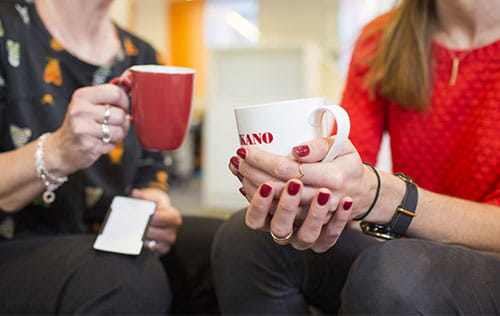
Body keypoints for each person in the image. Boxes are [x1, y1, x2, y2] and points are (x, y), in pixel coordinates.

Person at [213, 0, 500, 314]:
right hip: (409, 250)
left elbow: (374, 195)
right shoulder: (384, 37)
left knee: (397, 273)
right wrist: (312, 194)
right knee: (247, 238)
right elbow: (347, 159)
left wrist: (386, 198)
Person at [0, 0, 221, 314]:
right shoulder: (8, 27)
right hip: (13, 245)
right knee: (121, 277)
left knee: (229, 247)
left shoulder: (142, 55)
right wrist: (57, 151)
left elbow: (152, 168)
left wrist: (154, 203)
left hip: (106, 237)